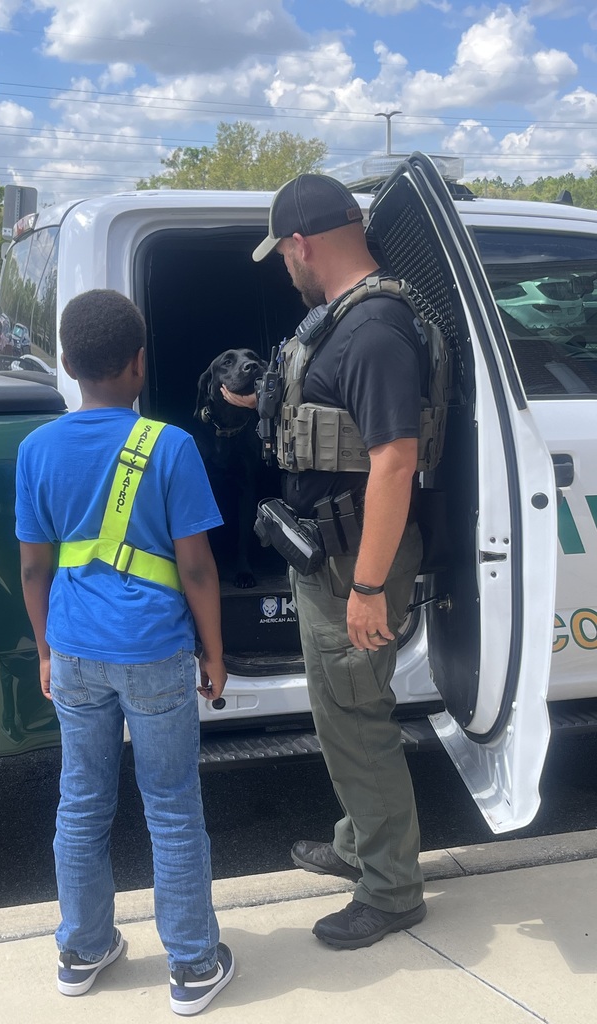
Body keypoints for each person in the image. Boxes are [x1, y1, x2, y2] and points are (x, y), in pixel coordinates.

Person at [15, 288, 235, 1015]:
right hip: (155, 651)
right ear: (139, 364)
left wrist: (46, 651)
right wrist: (215, 651)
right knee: (171, 807)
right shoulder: (168, 446)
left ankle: (81, 950)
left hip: (74, 649)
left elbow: (34, 568)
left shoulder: (36, 448)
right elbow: (197, 566)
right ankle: (195, 965)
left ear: (69, 365)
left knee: (81, 802)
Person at [244, 173, 431, 949]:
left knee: (357, 721)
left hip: (357, 559)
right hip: (332, 550)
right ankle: (360, 845)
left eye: (282, 254)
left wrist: (364, 588)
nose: (284, 268)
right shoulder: (343, 322)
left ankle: (391, 889)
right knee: (337, 712)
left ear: (301, 244)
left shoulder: (374, 329)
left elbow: (394, 461)